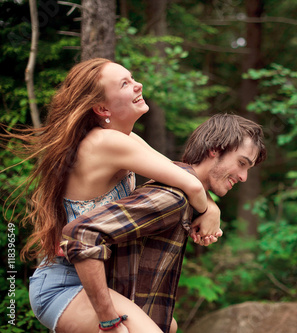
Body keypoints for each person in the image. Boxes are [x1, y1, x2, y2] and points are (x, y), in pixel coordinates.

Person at [6, 58, 221, 333]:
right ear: (102, 108)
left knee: (169, 326)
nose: (137, 85)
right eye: (125, 84)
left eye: (132, 78)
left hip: (100, 281)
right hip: (65, 285)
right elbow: (191, 187)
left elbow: (182, 175)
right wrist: (207, 211)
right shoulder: (107, 142)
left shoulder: (124, 138)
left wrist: (210, 207)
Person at [59, 113, 267, 332]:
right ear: (214, 149)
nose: (244, 177)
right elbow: (81, 233)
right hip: (73, 294)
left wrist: (209, 207)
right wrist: (110, 321)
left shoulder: (184, 195)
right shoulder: (173, 199)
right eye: (241, 163)